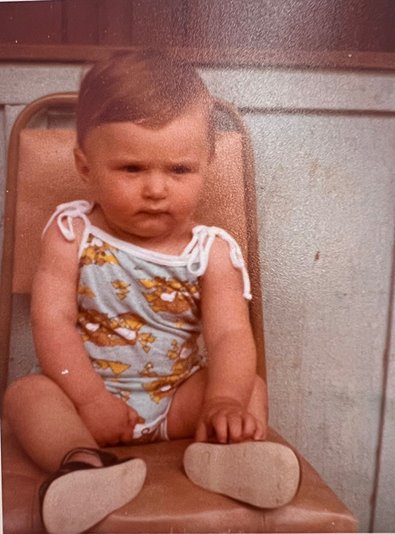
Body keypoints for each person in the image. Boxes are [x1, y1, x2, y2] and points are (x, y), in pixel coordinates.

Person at [4, 50, 300, 534]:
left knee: (250, 390)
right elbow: (50, 321)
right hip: (83, 401)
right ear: (85, 166)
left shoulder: (212, 251)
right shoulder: (71, 233)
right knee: (25, 394)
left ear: (207, 164)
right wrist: (91, 400)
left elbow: (228, 335)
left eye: (179, 170)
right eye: (132, 169)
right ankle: (81, 467)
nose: (156, 189)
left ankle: (224, 458)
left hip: (177, 401)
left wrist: (223, 400)